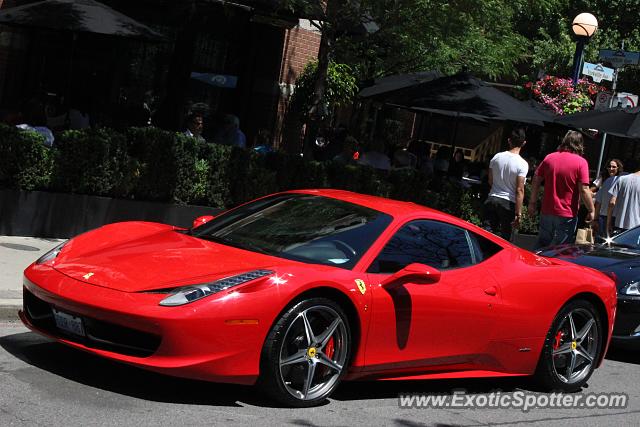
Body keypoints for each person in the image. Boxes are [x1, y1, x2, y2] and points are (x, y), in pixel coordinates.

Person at [527, 130, 594, 248]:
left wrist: (532, 202)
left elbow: (536, 179)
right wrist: (591, 210)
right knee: (560, 250)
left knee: (542, 245)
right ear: (580, 144)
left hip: (547, 209)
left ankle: (536, 264)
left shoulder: (549, 158)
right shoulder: (581, 162)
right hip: (567, 212)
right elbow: (584, 189)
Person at [482, 127, 528, 240]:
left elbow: (490, 180)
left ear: (509, 141)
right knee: (505, 239)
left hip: (492, 198)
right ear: (524, 143)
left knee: (486, 236)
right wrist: (518, 214)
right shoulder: (522, 164)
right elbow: (519, 190)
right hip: (508, 202)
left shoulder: (496, 157)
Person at [593, 159, 623, 237]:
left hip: (612, 217)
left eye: (614, 167)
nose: (611, 168)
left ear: (618, 168)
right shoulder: (603, 178)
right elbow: (597, 199)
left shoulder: (621, 181)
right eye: (609, 167)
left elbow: (607, 202)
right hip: (604, 216)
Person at [606, 166, 640, 236]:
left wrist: (608, 224)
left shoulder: (622, 179)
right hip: (636, 228)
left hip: (619, 225)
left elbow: (612, 203)